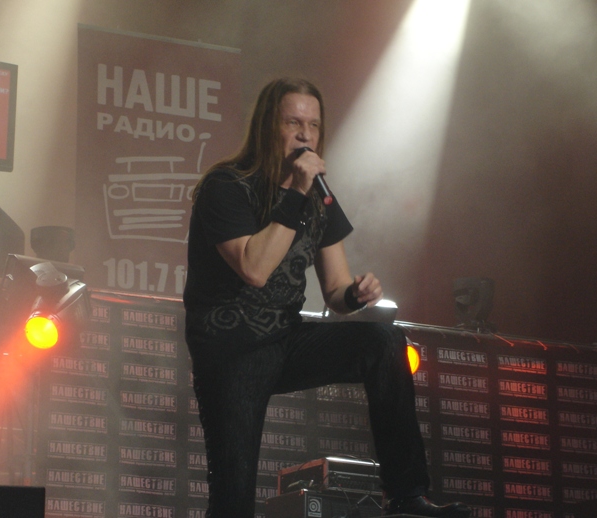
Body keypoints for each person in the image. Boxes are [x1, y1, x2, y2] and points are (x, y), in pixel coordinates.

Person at [183, 78, 471, 518]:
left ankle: (406, 494)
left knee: (384, 342)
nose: (305, 135)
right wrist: (296, 192)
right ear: (268, 126)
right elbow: (254, 269)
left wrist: (356, 293)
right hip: (231, 352)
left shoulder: (319, 198)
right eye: (293, 123)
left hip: (284, 340)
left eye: (314, 125)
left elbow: (336, 291)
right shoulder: (226, 186)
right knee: (232, 501)